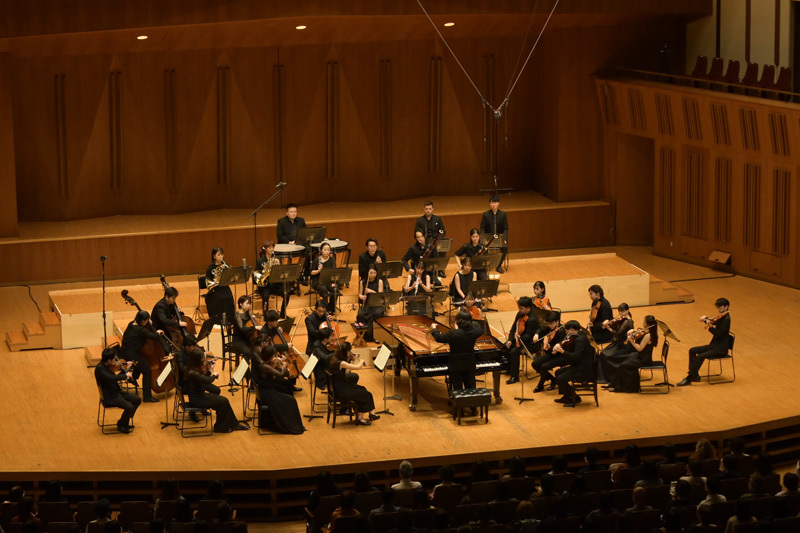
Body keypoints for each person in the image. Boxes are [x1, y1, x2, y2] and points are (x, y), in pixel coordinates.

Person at [184, 348, 248, 433]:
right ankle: (220, 427)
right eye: (202, 358)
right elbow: (207, 380)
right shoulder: (192, 373)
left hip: (200, 396)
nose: (203, 360)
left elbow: (204, 379)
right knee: (223, 401)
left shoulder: (193, 370)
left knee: (223, 401)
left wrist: (210, 369)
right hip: (197, 399)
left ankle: (233, 424)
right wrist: (214, 374)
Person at [251, 345, 305, 434]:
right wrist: (285, 367)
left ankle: (292, 423)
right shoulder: (264, 366)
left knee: (287, 392)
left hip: (268, 389)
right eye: (274, 355)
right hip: (268, 393)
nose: (275, 357)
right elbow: (280, 375)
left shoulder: (266, 364)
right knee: (291, 400)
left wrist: (275, 364)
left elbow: (272, 377)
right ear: (269, 356)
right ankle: (291, 425)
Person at [678, 297, 731, 386]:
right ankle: (694, 374)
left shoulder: (726, 320)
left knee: (700, 356)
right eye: (717, 307)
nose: (718, 309)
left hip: (720, 349)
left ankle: (689, 378)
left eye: (720, 307)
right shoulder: (722, 316)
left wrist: (709, 326)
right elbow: (714, 322)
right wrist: (706, 319)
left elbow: (718, 334)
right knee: (692, 350)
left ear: (726, 307)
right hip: (714, 345)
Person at [430, 309, 484, 391]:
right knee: (471, 388)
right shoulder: (474, 332)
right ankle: (471, 402)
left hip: (456, 365)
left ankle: (458, 401)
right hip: (470, 364)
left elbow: (438, 338)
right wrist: (470, 319)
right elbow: (480, 327)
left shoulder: (453, 333)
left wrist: (434, 329)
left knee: (457, 389)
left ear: (458, 321)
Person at [121, 310, 168, 403]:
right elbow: (154, 336)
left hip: (124, 351)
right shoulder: (140, 330)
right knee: (147, 371)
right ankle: (147, 396)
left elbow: (143, 330)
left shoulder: (131, 324)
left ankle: (132, 377)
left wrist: (148, 324)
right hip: (132, 354)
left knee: (141, 364)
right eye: (146, 320)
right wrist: (158, 332)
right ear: (142, 321)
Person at [328, 342, 378, 426]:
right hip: (342, 390)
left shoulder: (335, 359)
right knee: (365, 394)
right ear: (347, 352)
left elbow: (346, 372)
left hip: (340, 386)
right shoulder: (341, 363)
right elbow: (358, 367)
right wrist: (361, 361)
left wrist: (353, 360)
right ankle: (360, 418)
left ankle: (371, 413)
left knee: (362, 389)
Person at [95, 347, 141, 433]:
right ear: (108, 360)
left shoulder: (107, 366)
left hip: (116, 392)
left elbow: (115, 377)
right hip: (109, 396)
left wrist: (127, 369)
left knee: (137, 400)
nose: (115, 361)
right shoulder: (100, 369)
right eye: (114, 359)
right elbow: (112, 378)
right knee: (130, 407)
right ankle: (121, 424)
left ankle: (125, 421)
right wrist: (125, 375)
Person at [607, 315, 658, 393]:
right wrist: (634, 330)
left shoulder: (648, 336)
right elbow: (641, 334)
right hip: (641, 356)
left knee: (623, 365)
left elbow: (640, 348)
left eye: (644, 322)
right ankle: (614, 383)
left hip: (644, 359)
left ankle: (623, 387)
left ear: (647, 325)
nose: (643, 323)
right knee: (625, 359)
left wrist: (631, 341)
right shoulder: (649, 332)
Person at [553, 320, 596, 407]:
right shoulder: (580, 334)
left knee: (560, 379)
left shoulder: (580, 340)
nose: (565, 332)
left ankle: (575, 397)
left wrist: (562, 351)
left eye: (566, 330)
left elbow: (576, 356)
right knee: (558, 372)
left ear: (572, 330)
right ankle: (566, 395)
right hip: (579, 365)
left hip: (582, 369)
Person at [597, 303, 634, 384]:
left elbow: (618, 333)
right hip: (618, 343)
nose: (620, 313)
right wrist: (609, 323)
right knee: (603, 352)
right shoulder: (623, 320)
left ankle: (608, 377)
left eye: (622, 311)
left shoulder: (628, 321)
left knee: (605, 354)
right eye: (619, 311)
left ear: (627, 310)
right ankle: (605, 376)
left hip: (623, 345)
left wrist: (608, 328)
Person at [530, 311, 567, 392]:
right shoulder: (549, 328)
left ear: (557, 322)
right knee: (535, 364)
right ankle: (552, 379)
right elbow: (540, 328)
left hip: (558, 355)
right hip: (550, 353)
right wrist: (536, 334)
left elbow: (560, 346)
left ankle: (540, 385)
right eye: (548, 323)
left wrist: (549, 347)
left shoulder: (561, 331)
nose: (550, 325)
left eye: (552, 323)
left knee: (544, 366)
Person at [504, 296, 535, 385]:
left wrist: (519, 337)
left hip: (528, 343)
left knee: (514, 352)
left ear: (528, 308)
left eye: (521, 308)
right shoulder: (520, 314)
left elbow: (529, 336)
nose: (519, 310)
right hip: (518, 339)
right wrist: (510, 340)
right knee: (505, 345)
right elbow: (514, 327)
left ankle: (515, 376)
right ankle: (509, 369)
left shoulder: (532, 320)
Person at [255, 239, 289, 318]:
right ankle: (266, 314)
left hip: (276, 284)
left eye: (273, 247)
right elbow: (256, 273)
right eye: (269, 248)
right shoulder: (260, 261)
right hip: (265, 286)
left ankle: (283, 314)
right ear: (265, 249)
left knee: (286, 294)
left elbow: (282, 273)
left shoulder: (278, 259)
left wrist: (279, 265)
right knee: (265, 296)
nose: (272, 249)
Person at [479, 195, 509, 273]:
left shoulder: (503, 214)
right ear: (490, 204)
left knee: (505, 247)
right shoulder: (486, 214)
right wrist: (483, 238)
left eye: (495, 202)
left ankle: (498, 265)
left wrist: (504, 239)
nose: (493, 204)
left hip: (499, 238)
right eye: (492, 202)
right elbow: (482, 227)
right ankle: (487, 264)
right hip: (489, 238)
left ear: (498, 203)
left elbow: (505, 228)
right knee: (483, 246)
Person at [205, 246, 235, 322]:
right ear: (214, 256)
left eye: (222, 254)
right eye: (218, 255)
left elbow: (231, 277)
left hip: (224, 286)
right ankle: (219, 319)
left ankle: (229, 318)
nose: (221, 257)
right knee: (220, 298)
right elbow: (208, 279)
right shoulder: (210, 268)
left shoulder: (226, 265)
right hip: (215, 288)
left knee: (229, 296)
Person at [357, 264, 385, 343]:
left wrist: (370, 291)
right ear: (367, 273)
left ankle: (376, 336)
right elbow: (359, 294)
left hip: (376, 304)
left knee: (378, 313)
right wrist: (362, 297)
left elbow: (380, 295)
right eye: (371, 273)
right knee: (360, 314)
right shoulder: (363, 282)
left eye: (374, 273)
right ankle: (365, 336)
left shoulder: (379, 281)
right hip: (367, 304)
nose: (373, 275)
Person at [310, 241, 340, 313]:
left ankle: (331, 308)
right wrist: (318, 271)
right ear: (321, 250)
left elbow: (333, 272)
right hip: (318, 281)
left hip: (328, 281)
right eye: (325, 250)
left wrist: (333, 282)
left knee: (335, 290)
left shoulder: (332, 260)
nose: (327, 252)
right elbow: (311, 272)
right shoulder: (317, 260)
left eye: (328, 250)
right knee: (324, 289)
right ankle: (324, 309)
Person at [232, 295, 259, 362]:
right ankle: (245, 371)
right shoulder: (237, 316)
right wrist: (255, 327)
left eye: (249, 304)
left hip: (248, 338)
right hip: (239, 340)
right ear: (241, 304)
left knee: (258, 351)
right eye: (247, 303)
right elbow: (242, 329)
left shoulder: (248, 314)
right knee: (248, 352)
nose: (249, 305)